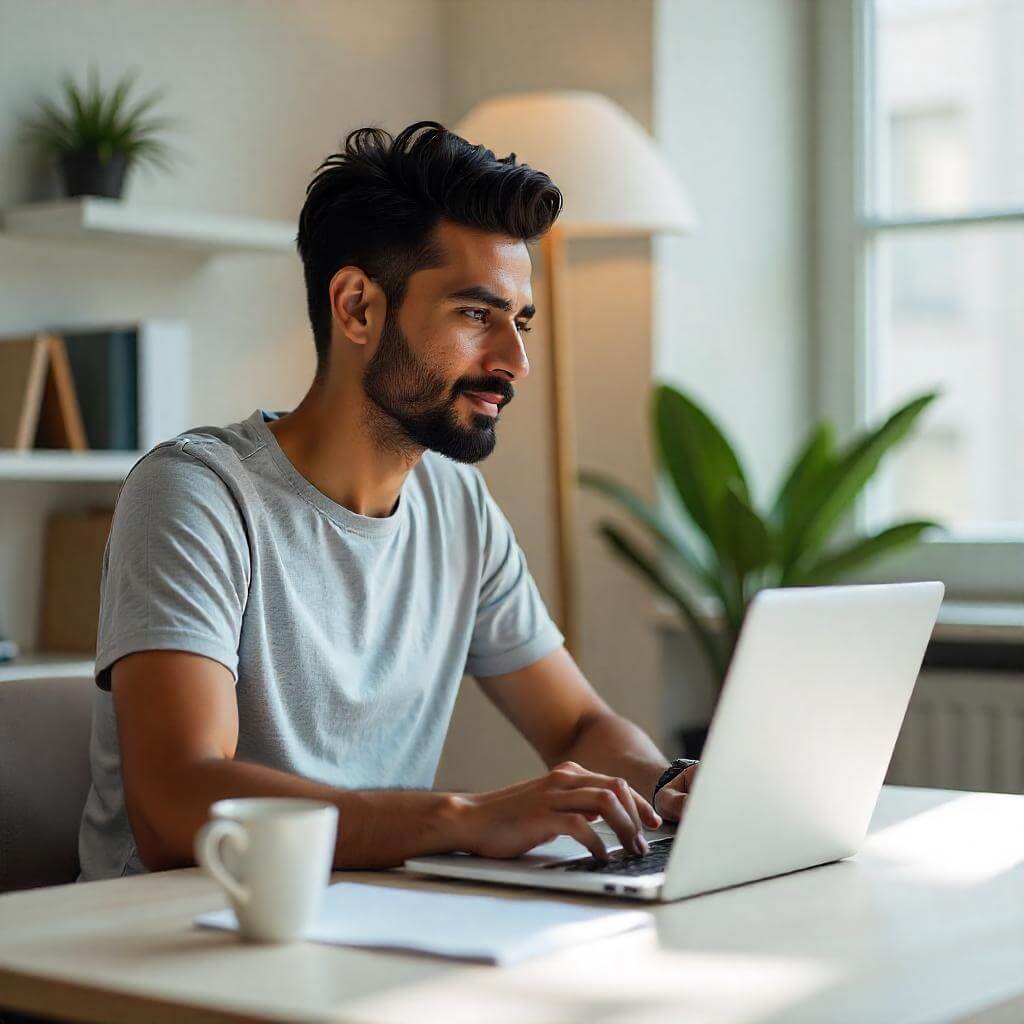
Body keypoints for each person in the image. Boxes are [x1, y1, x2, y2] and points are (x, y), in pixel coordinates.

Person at [76, 121, 698, 883]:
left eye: (520, 322)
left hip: (367, 913)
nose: (515, 361)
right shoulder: (198, 494)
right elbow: (177, 802)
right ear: (358, 308)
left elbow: (576, 724)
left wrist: (669, 785)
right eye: (477, 315)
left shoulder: (457, 505)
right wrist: (462, 819)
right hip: (174, 930)